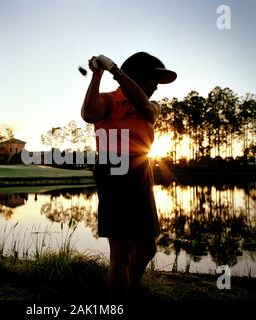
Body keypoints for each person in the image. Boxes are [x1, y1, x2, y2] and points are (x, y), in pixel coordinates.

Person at [81, 52, 177, 301]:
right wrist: (98, 74)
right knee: (121, 253)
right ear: (138, 76)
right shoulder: (109, 101)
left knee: (147, 248)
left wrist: (114, 70)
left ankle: (125, 291)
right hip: (114, 171)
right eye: (153, 78)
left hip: (141, 171)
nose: (156, 86)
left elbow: (148, 110)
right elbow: (89, 115)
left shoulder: (152, 104)